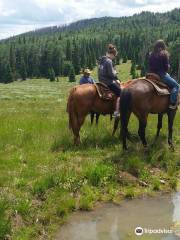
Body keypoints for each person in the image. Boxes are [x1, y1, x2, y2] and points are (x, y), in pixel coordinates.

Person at [149, 39, 179, 109]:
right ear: (163, 46)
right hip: (161, 75)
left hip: (151, 74)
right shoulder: (164, 54)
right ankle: (172, 103)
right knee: (176, 86)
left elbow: (150, 65)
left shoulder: (151, 54)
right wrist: (168, 66)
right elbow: (166, 68)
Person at [98, 44, 121, 117]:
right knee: (121, 93)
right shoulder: (109, 61)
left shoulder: (102, 60)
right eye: (115, 56)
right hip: (108, 82)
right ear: (112, 54)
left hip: (101, 81)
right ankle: (117, 111)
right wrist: (115, 73)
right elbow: (111, 74)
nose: (114, 57)